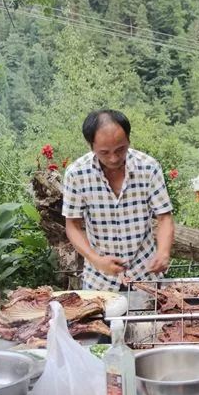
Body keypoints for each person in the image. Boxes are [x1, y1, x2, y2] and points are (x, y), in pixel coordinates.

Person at [62, 109, 175, 291]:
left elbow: (164, 217)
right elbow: (72, 225)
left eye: (120, 149)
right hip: (99, 280)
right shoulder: (76, 174)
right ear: (91, 145)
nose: (113, 158)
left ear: (128, 139)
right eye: (104, 152)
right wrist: (97, 260)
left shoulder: (149, 167)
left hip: (146, 275)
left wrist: (163, 252)